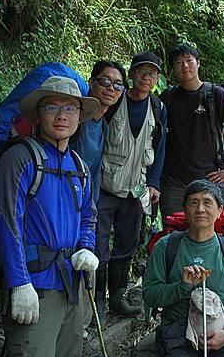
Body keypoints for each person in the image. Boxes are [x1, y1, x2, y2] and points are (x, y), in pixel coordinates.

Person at [0, 76, 100, 356]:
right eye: (52, 107)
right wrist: (19, 283)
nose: (62, 116)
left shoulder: (80, 167)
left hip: (73, 285)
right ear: (38, 115)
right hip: (35, 285)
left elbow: (88, 217)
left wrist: (87, 247)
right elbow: (6, 222)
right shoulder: (20, 158)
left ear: (80, 116)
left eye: (71, 109)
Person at [143, 179, 224, 356]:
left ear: (220, 210)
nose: (200, 209)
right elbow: (150, 296)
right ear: (185, 210)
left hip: (221, 328)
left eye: (207, 203)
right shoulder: (166, 247)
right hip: (178, 332)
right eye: (194, 203)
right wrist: (182, 286)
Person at [96, 51, 167, 318]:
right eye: (141, 72)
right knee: (99, 246)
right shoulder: (113, 101)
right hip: (105, 185)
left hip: (136, 189)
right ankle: (98, 303)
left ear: (157, 78)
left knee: (126, 244)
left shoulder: (158, 109)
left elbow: (160, 150)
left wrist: (154, 183)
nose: (146, 77)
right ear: (132, 75)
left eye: (152, 73)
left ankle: (117, 297)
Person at [159, 43, 224, 237]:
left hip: (211, 176)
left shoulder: (215, 95)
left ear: (198, 63)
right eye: (179, 63)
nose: (185, 66)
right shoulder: (168, 98)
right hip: (175, 180)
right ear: (173, 69)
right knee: (173, 229)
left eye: (189, 61)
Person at [71, 60, 126, 327]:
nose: (110, 88)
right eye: (104, 81)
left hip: (84, 208)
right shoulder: (76, 121)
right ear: (91, 81)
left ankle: (80, 321)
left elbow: (92, 172)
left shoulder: (102, 125)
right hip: (62, 206)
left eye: (117, 84)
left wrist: (89, 210)